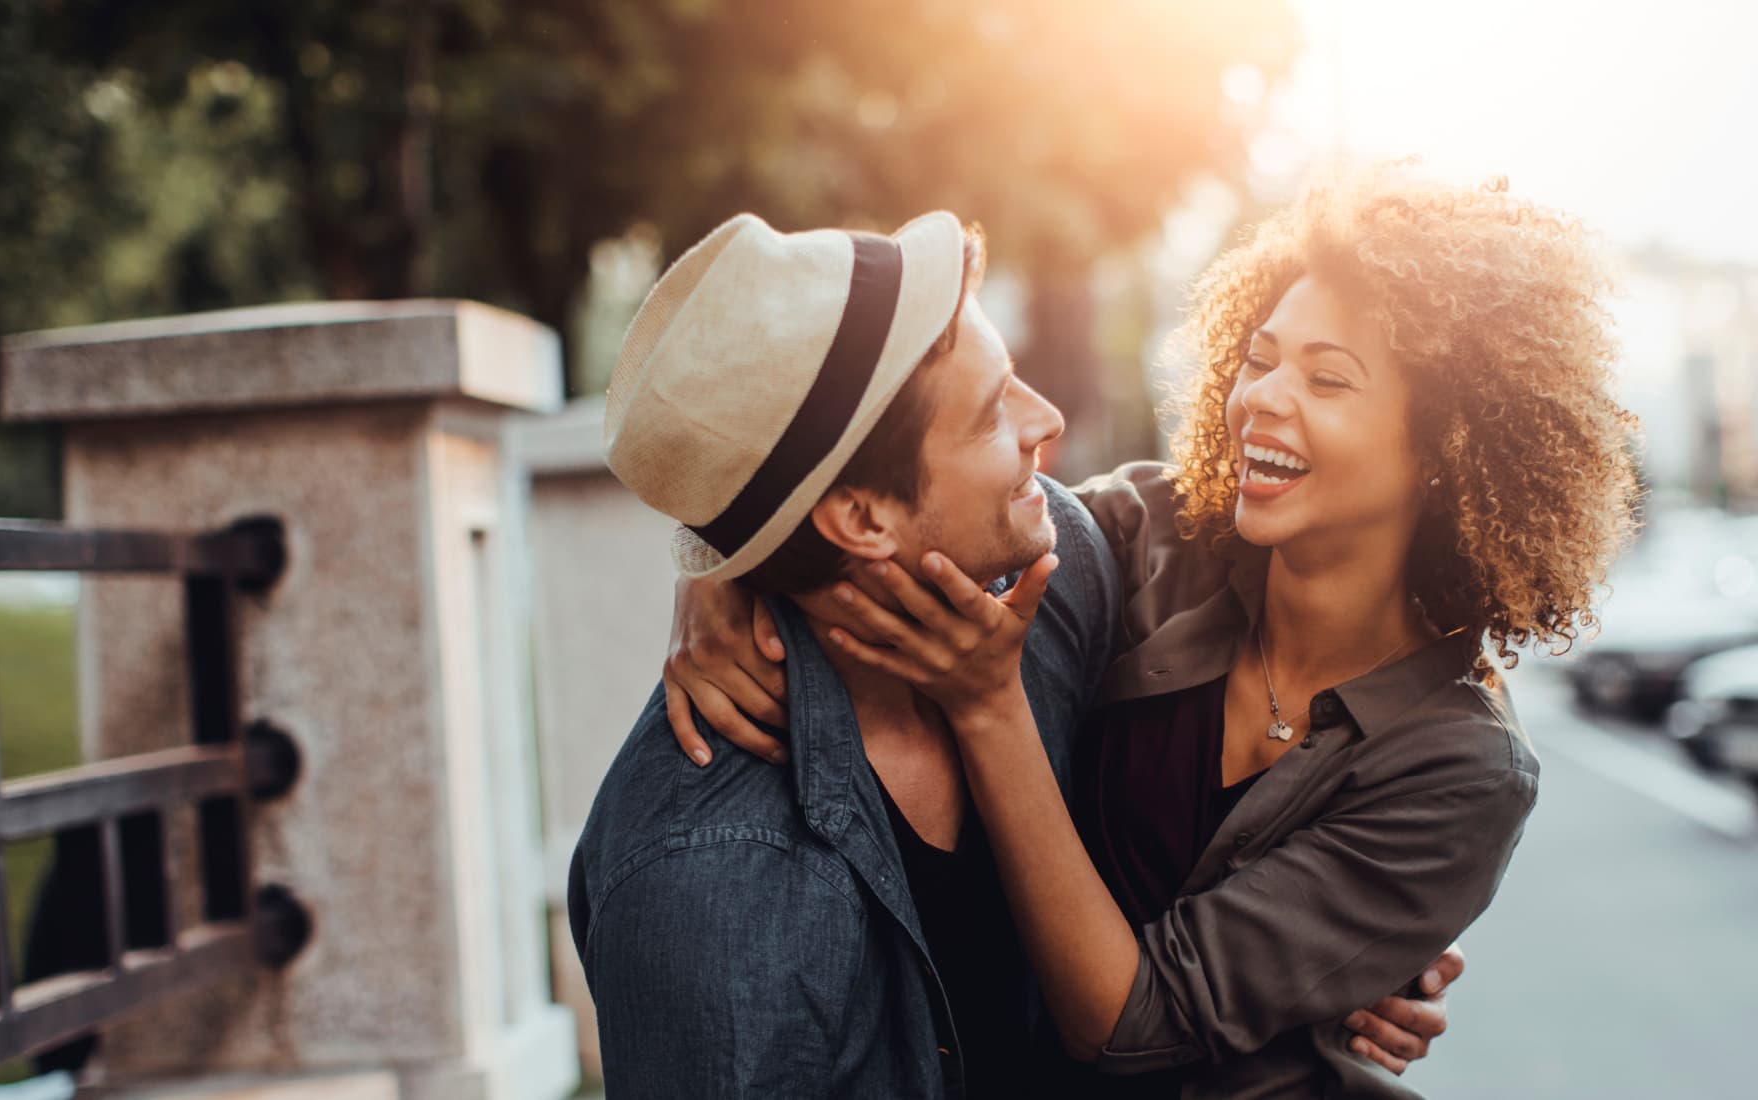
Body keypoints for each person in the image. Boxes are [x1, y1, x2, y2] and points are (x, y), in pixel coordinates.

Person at [667, 166, 1640, 1097]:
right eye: (1258, 358)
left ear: (1446, 447)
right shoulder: (1139, 534)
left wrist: (987, 701)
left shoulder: (1459, 766)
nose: (1260, 396)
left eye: (1326, 379)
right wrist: (721, 570)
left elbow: (1126, 1024)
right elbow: (899, 506)